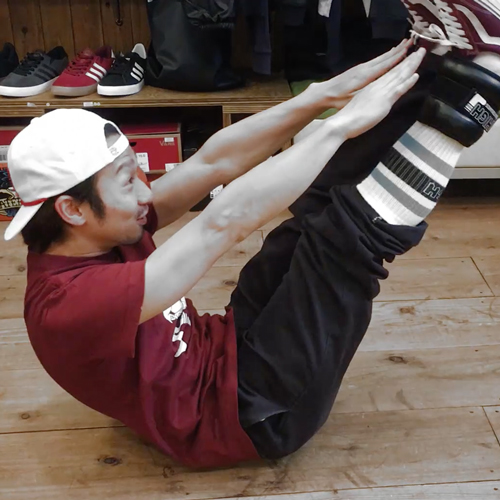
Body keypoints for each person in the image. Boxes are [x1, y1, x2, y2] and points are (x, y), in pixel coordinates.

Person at [5, 21, 500, 466]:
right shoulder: (65, 306)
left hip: (221, 348)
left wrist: (321, 97)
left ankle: (438, 66)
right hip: (248, 416)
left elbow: (211, 164)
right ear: (71, 209)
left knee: (314, 208)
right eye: (125, 181)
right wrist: (337, 126)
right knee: (344, 242)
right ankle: (477, 98)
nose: (146, 191)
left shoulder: (96, 228)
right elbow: (222, 222)